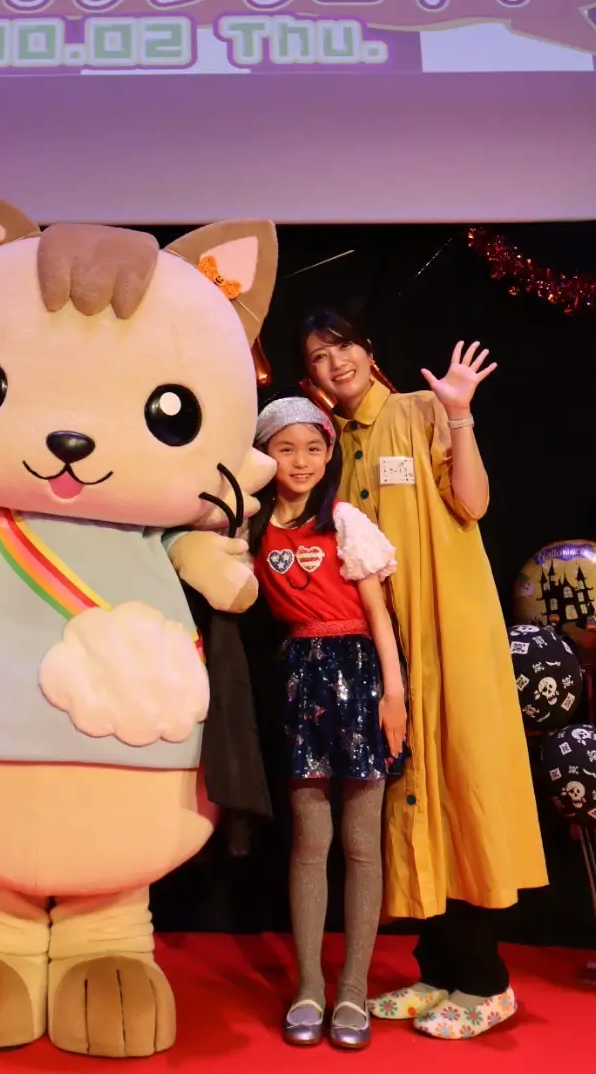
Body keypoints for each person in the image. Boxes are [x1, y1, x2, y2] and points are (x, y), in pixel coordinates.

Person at [300, 313, 547, 1041]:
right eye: (319, 356)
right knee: (411, 798)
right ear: (310, 377)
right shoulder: (327, 445)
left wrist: (460, 416)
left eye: (344, 345)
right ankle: (437, 969)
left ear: (368, 350)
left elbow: (472, 502)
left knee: (460, 788)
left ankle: (486, 981)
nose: (336, 361)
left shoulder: (419, 410)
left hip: (449, 634)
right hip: (382, 647)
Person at [249, 396, 404, 1050]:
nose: (301, 461)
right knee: (310, 840)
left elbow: (378, 613)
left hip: (361, 676)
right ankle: (309, 985)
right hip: (299, 678)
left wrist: (394, 693)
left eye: (313, 448)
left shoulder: (343, 520)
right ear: (264, 455)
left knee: (363, 842)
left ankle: (353, 989)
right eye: (286, 449)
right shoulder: (251, 526)